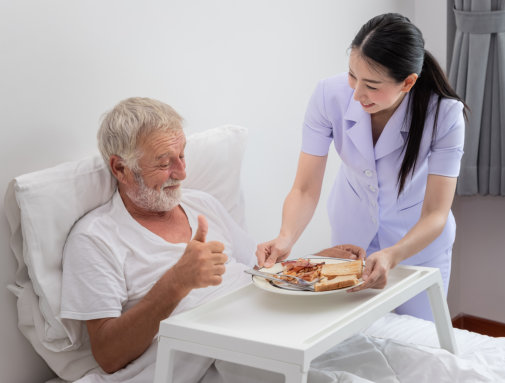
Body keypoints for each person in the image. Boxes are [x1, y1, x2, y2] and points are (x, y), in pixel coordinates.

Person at [256, 13, 467, 321]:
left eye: (371, 84)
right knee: (351, 335)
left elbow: (436, 212)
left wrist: (393, 255)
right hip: (350, 236)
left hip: (418, 244)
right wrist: (286, 236)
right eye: (352, 75)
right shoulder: (329, 95)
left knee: (419, 342)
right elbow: (304, 188)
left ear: (408, 82)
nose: (356, 93)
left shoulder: (444, 115)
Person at [60, 97, 257, 381]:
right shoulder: (95, 238)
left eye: (182, 156)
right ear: (120, 169)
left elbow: (259, 271)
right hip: (214, 360)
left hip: (263, 333)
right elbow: (108, 355)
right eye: (164, 163)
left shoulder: (203, 204)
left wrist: (311, 267)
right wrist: (177, 281)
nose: (181, 172)